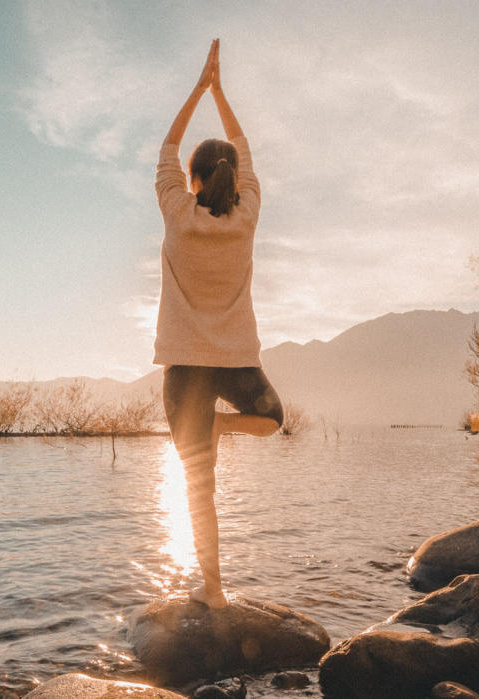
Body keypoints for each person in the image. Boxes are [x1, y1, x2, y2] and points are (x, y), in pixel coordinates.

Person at [155, 39, 284, 610]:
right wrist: (222, 92)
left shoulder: (179, 215)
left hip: (186, 368)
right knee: (274, 418)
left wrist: (199, 87)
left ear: (194, 179)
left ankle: (214, 592)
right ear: (230, 176)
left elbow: (167, 144)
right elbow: (247, 153)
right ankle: (223, 428)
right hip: (237, 364)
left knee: (198, 489)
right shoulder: (247, 217)